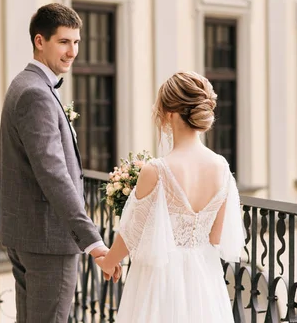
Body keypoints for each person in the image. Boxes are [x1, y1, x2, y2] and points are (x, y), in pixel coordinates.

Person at [0, 3, 120, 322]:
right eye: (63, 42)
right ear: (40, 41)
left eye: (76, 42)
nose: (72, 51)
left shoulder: (25, 83)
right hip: (48, 240)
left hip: (26, 234)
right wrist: (93, 242)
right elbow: (53, 174)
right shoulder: (36, 93)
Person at [98, 71, 245, 322]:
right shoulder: (221, 168)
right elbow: (215, 236)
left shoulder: (156, 171)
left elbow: (132, 233)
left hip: (159, 281)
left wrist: (108, 261)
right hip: (204, 282)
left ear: (168, 114)